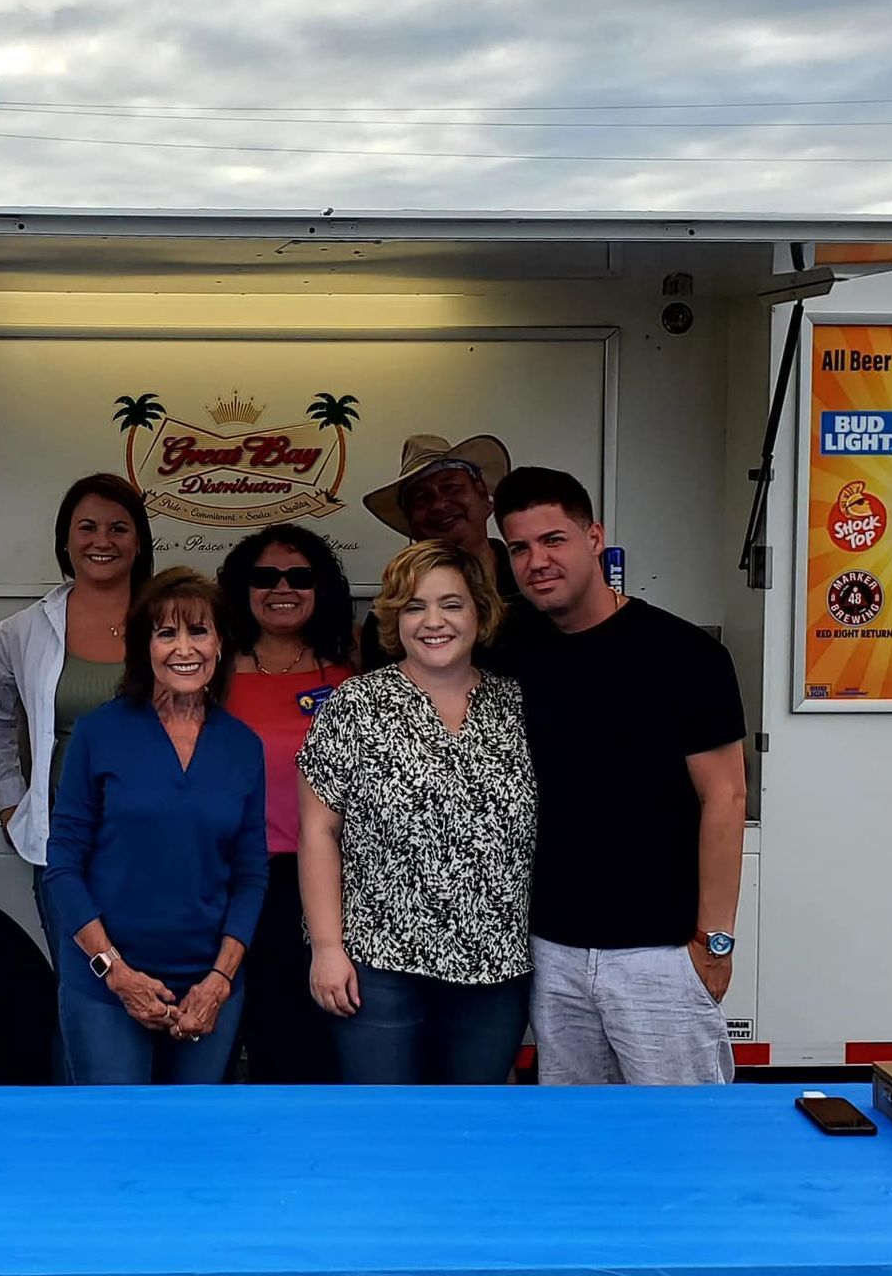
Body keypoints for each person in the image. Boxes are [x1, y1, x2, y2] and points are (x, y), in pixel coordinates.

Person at [493, 466, 747, 1086]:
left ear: (594, 537)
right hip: (552, 951)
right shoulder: (511, 650)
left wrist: (714, 943)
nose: (537, 561)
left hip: (660, 953)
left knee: (684, 1144)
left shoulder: (686, 656)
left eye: (553, 539)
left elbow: (726, 795)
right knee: (578, 1147)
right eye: (520, 547)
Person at [296, 540, 538, 1084]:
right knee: (386, 1133)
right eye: (414, 606)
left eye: (451, 604)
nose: (434, 622)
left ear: (480, 610)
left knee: (474, 1132)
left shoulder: (518, 705)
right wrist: (328, 949)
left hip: (494, 968)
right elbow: (318, 833)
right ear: (393, 619)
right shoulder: (354, 705)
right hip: (377, 966)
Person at [44, 568, 268, 1085]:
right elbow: (63, 866)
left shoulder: (242, 746)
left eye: (198, 631)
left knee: (192, 1146)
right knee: (116, 1141)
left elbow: (251, 875)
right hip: (107, 984)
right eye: (166, 633)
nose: (183, 649)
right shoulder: (99, 732)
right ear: (144, 646)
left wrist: (219, 981)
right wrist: (116, 973)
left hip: (207, 986)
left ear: (221, 644)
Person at [0, 473, 153, 948]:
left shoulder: (172, 621)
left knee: (161, 984)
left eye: (118, 528)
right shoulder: (23, 630)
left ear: (139, 542)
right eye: (87, 527)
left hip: (161, 841)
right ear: (65, 541)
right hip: (64, 843)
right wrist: (13, 800)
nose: (102, 541)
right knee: (80, 989)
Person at [216, 524, 354, 1083]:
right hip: (234, 877)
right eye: (265, 576)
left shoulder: (350, 670)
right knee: (222, 1031)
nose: (283, 587)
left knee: (303, 1040)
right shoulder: (212, 670)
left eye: (300, 576)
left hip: (326, 880)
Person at [357, 433, 548, 672]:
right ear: (410, 521)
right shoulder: (389, 615)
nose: (438, 504)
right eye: (421, 497)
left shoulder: (538, 587)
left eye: (451, 488)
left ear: (484, 497)